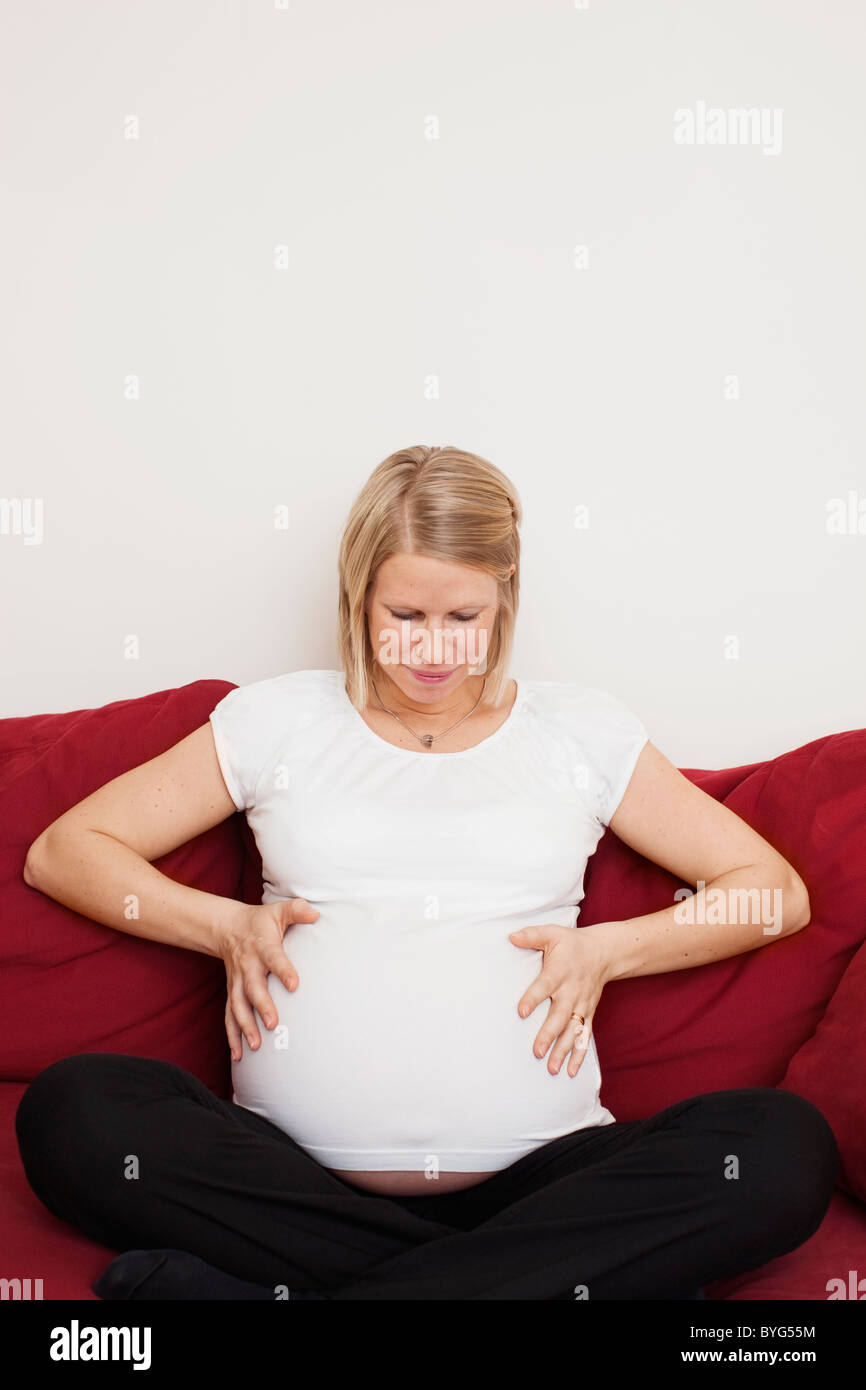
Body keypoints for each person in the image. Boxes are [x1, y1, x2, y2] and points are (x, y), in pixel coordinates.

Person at [15, 444, 838, 1301]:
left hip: (548, 1187)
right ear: (356, 592)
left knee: (780, 1151)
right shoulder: (275, 720)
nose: (434, 649)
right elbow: (64, 852)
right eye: (404, 613)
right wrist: (220, 926)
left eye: (464, 616)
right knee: (76, 1110)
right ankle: (517, 1290)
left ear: (508, 588)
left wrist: (611, 950)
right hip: (299, 1184)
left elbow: (772, 893)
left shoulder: (582, 732)